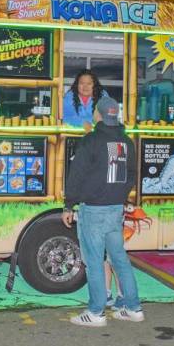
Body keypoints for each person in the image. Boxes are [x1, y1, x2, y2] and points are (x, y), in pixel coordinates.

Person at [62, 97, 143, 327]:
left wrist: (69, 204)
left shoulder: (91, 140)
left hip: (94, 211)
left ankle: (96, 313)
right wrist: (118, 195)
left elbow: (76, 174)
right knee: (120, 259)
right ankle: (133, 307)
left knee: (95, 262)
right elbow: (132, 174)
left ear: (98, 115)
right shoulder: (127, 142)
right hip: (115, 210)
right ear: (114, 115)